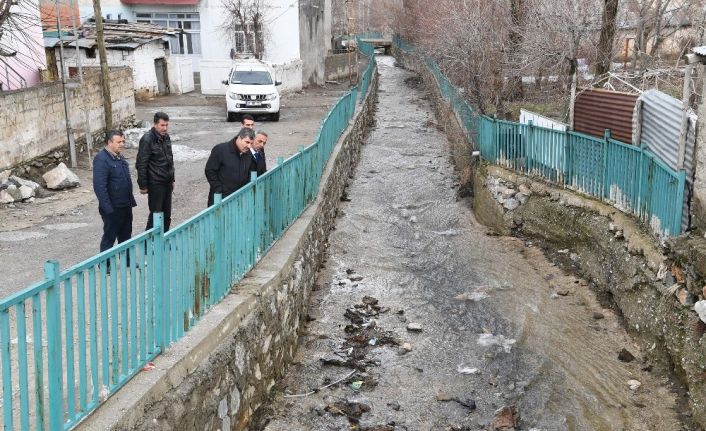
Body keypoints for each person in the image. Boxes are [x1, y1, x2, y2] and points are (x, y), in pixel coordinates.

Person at [93, 130, 136, 257]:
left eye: (123, 141)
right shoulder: (101, 159)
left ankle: (127, 260)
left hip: (125, 204)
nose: (122, 144)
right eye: (119, 142)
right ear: (109, 143)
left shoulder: (119, 157)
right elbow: (99, 187)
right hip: (113, 207)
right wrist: (108, 209)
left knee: (126, 235)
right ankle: (104, 263)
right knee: (110, 236)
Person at [136, 112, 175, 231]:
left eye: (166, 125)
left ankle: (164, 241)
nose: (165, 128)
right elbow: (141, 163)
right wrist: (143, 185)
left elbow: (169, 159)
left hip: (166, 182)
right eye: (162, 125)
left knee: (166, 215)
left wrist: (172, 179)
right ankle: (148, 244)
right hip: (155, 183)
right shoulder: (147, 139)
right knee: (155, 215)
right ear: (155, 124)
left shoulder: (166, 137)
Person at [205, 128, 258, 206]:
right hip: (220, 199)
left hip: (239, 199)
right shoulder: (221, 150)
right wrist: (218, 189)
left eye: (251, 143)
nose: (249, 146)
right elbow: (210, 170)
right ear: (239, 138)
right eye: (247, 142)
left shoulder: (248, 154)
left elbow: (250, 171)